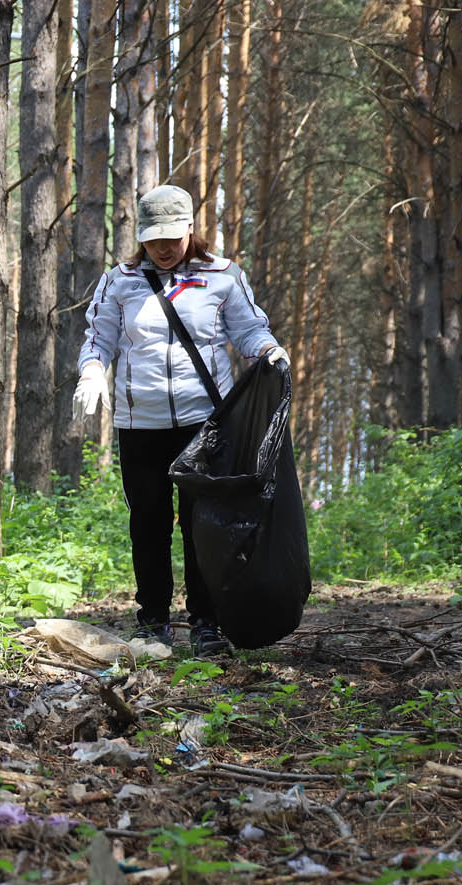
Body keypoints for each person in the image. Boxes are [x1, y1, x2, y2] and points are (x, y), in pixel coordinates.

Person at [74, 184, 288, 657]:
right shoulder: (120, 280)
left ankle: (206, 623)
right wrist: (92, 370)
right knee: (148, 524)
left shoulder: (223, 276)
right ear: (141, 236)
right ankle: (152, 621)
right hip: (140, 426)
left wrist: (267, 350)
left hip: (204, 424)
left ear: (191, 228)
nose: (165, 248)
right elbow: (99, 337)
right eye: (154, 239)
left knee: (202, 524)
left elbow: (248, 328)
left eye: (173, 236)